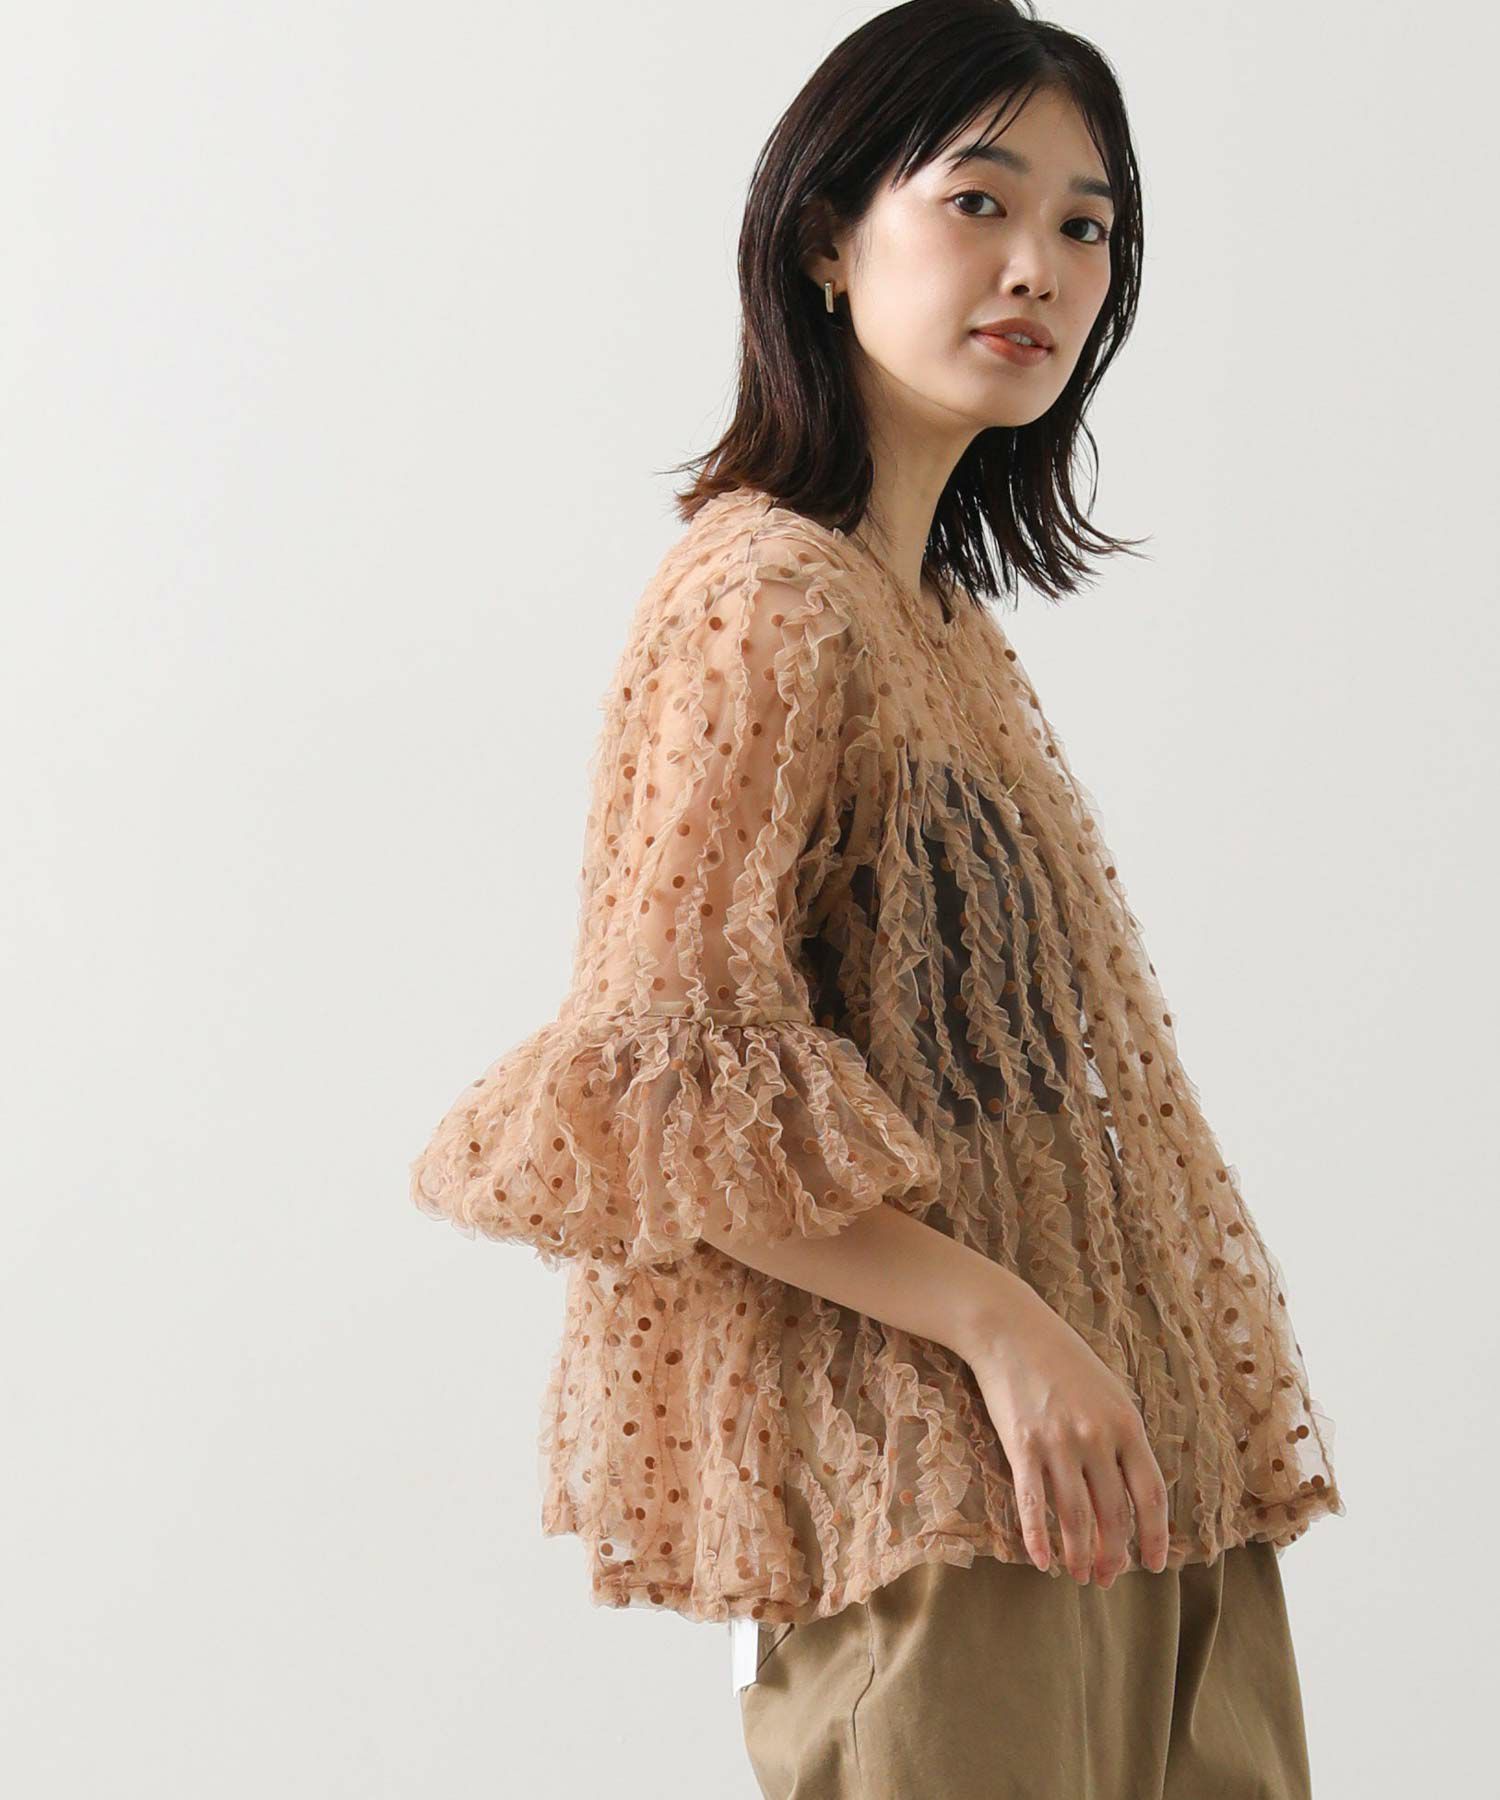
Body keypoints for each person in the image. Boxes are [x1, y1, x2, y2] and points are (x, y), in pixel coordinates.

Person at [409, 2, 1345, 1793]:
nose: (1040, 266)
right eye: (980, 201)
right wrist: (1006, 1325)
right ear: (829, 238)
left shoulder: (937, 625)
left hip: (1132, 1487)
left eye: (1086, 224)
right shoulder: (765, 599)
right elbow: (661, 1107)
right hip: (948, 1496)